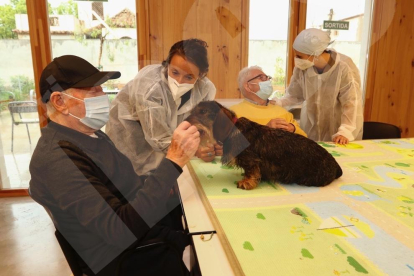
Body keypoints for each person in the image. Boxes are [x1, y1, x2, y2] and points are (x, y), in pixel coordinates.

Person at [29, 55, 201, 276]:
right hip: (126, 259)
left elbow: (128, 185)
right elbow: (120, 230)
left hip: (144, 237)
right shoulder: (57, 159)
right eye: (93, 92)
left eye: (101, 90)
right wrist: (173, 161)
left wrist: (168, 184)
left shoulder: (91, 135)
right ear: (59, 101)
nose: (103, 97)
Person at [106, 39, 220, 175]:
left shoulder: (205, 89)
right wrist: (195, 150)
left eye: (189, 77)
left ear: (200, 75)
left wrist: (210, 145)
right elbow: (158, 138)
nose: (179, 82)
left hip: (173, 150)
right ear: (167, 65)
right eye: (175, 72)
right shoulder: (149, 88)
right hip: (133, 143)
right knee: (138, 182)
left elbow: (201, 127)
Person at [273, 28, 363, 145]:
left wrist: (345, 131)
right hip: (311, 128)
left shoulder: (344, 67)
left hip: (340, 133)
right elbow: (295, 95)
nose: (297, 60)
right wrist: (279, 103)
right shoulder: (303, 69)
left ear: (314, 53)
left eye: (300, 56)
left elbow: (351, 102)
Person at [230, 65, 307, 137]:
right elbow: (232, 145)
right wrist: (265, 130)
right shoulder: (233, 113)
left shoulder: (283, 113)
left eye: (267, 78)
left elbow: (305, 140)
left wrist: (293, 129)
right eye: (262, 78)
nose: (267, 81)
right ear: (247, 86)